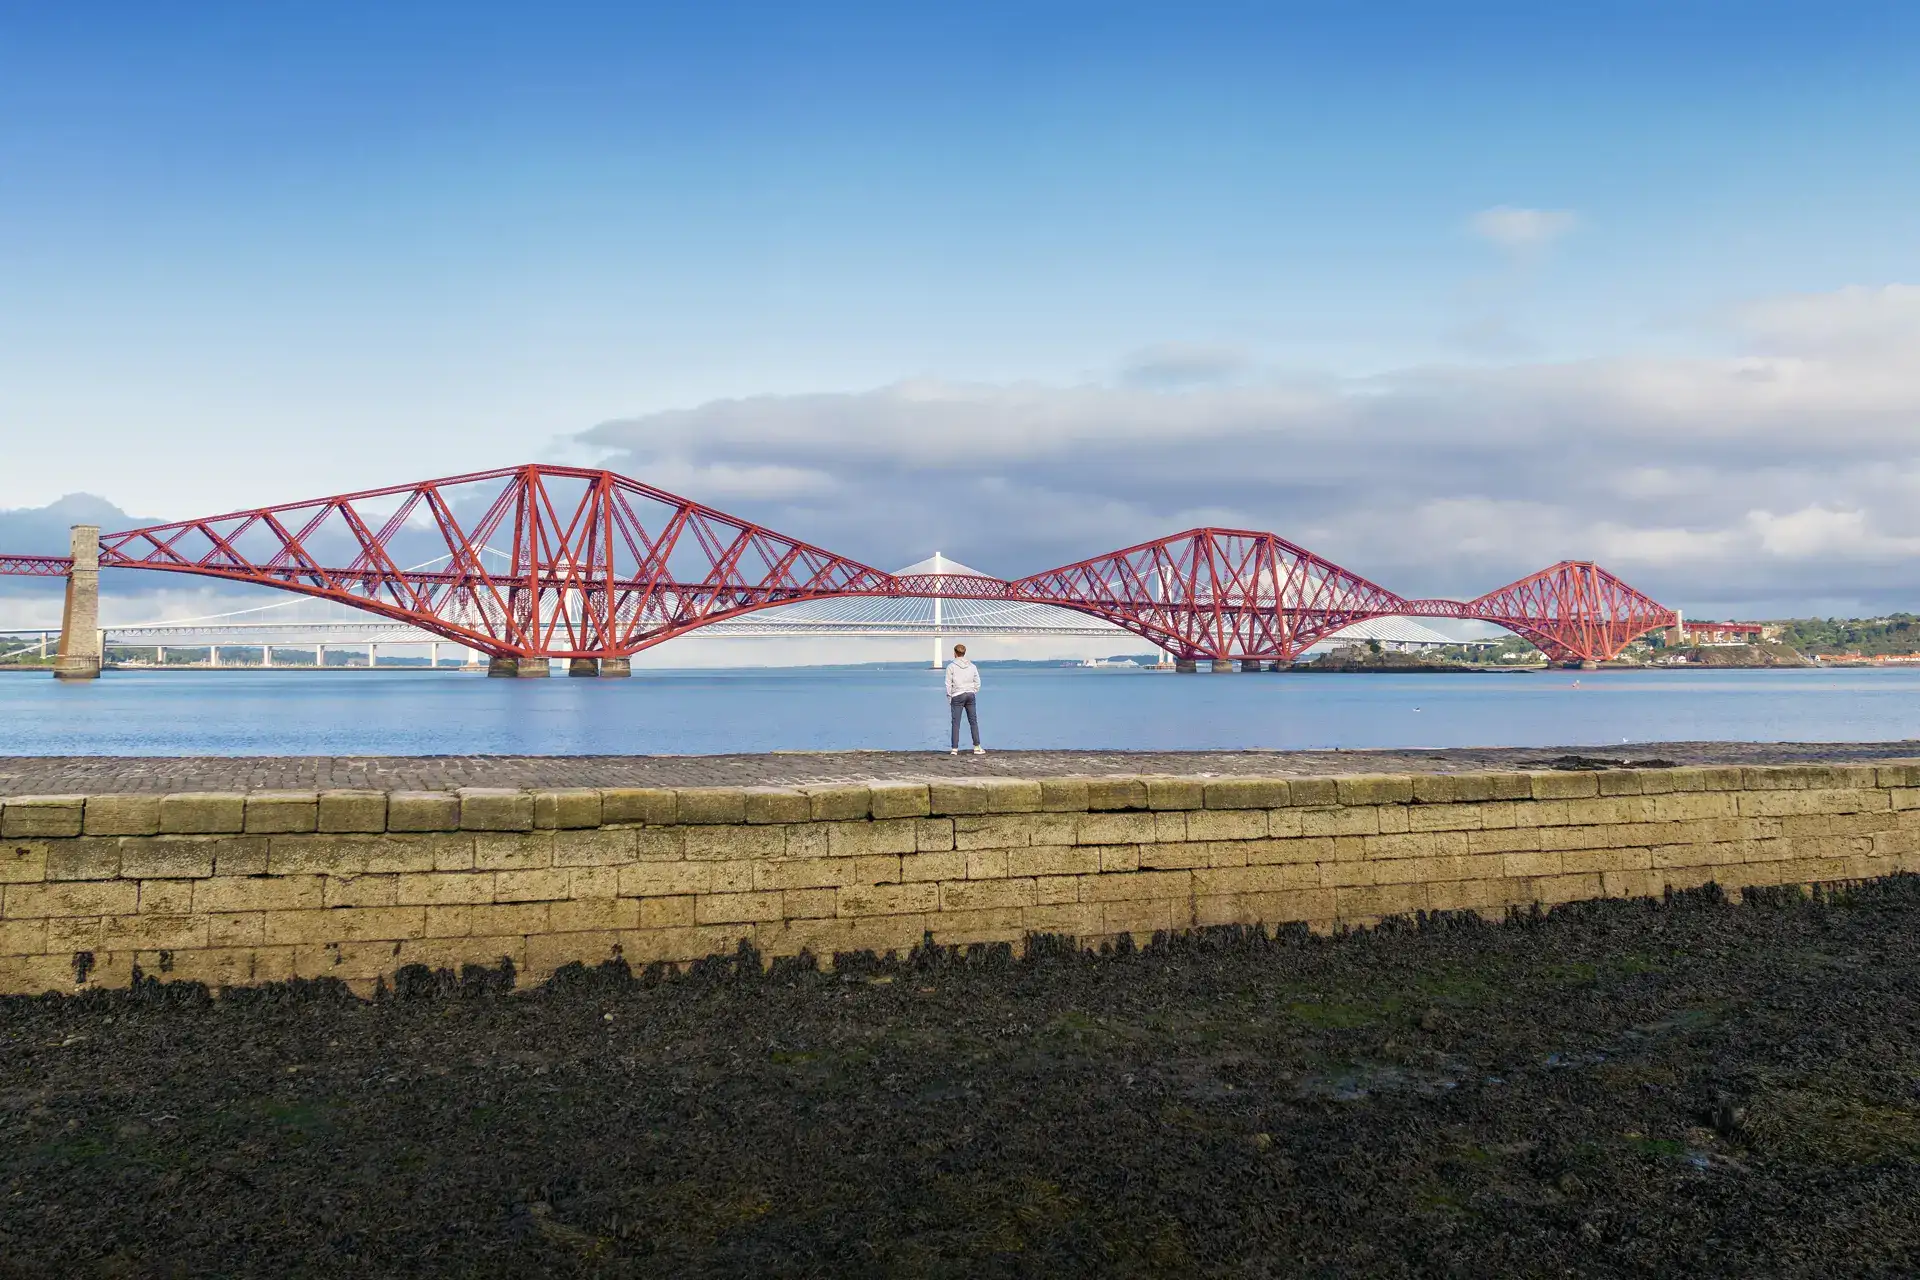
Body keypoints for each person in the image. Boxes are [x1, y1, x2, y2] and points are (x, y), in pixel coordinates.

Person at [945, 643, 984, 755]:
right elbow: (978, 682)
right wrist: (973, 690)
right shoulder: (972, 666)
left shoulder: (951, 667)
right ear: (964, 653)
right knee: (973, 721)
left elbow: (948, 684)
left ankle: (954, 749)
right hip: (970, 695)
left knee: (956, 722)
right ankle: (977, 747)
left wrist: (950, 697)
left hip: (957, 695)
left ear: (955, 653)